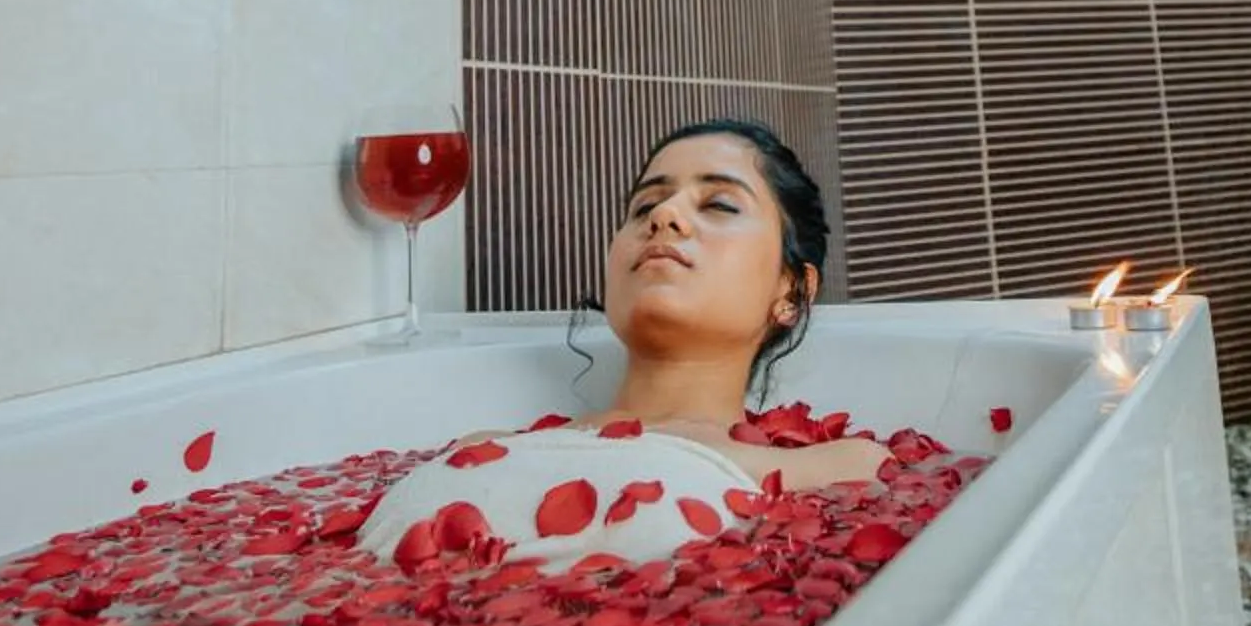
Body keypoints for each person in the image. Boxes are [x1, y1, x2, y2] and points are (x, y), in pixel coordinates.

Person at [360, 119, 882, 567]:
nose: (664, 216)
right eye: (644, 206)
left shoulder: (843, 469)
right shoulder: (479, 445)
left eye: (719, 204)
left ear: (791, 290)